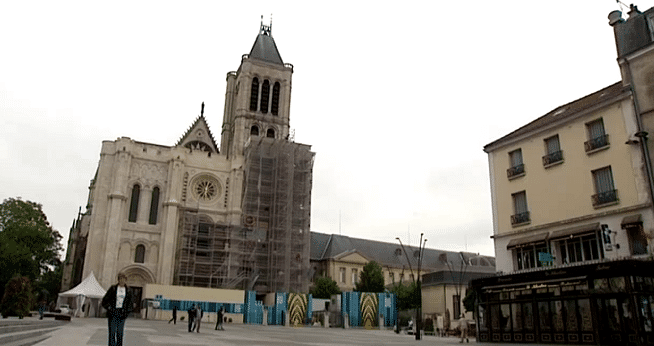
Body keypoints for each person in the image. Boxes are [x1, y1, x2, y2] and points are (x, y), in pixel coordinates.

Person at [101, 273, 133, 346]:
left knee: (120, 332)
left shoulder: (128, 290)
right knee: (112, 332)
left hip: (122, 313)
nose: (122, 281)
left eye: (123, 279)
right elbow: (105, 300)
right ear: (118, 280)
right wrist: (109, 308)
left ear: (126, 280)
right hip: (113, 312)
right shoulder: (113, 288)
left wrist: (126, 312)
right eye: (120, 279)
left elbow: (130, 303)